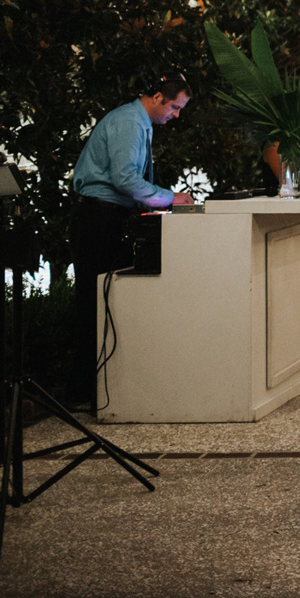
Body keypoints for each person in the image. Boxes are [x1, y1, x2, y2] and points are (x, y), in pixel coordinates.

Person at [68, 72, 193, 408]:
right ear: (157, 98)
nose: (175, 115)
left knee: (106, 302)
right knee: (96, 303)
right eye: (175, 107)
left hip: (107, 215)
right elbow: (125, 178)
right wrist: (170, 198)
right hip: (100, 217)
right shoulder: (130, 122)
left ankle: (98, 390)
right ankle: (85, 393)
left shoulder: (136, 121)